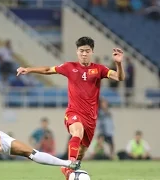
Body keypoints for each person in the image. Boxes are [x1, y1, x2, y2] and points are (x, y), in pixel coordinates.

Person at [16, 36, 125, 179]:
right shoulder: (69, 67)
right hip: (74, 113)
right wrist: (29, 69)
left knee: (81, 153)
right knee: (77, 132)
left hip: (91, 118)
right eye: (81, 51)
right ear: (77, 52)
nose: (84, 54)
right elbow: (49, 69)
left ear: (92, 52)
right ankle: (70, 163)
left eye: (87, 51)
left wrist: (118, 64)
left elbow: (119, 77)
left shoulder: (99, 69)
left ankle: (68, 170)